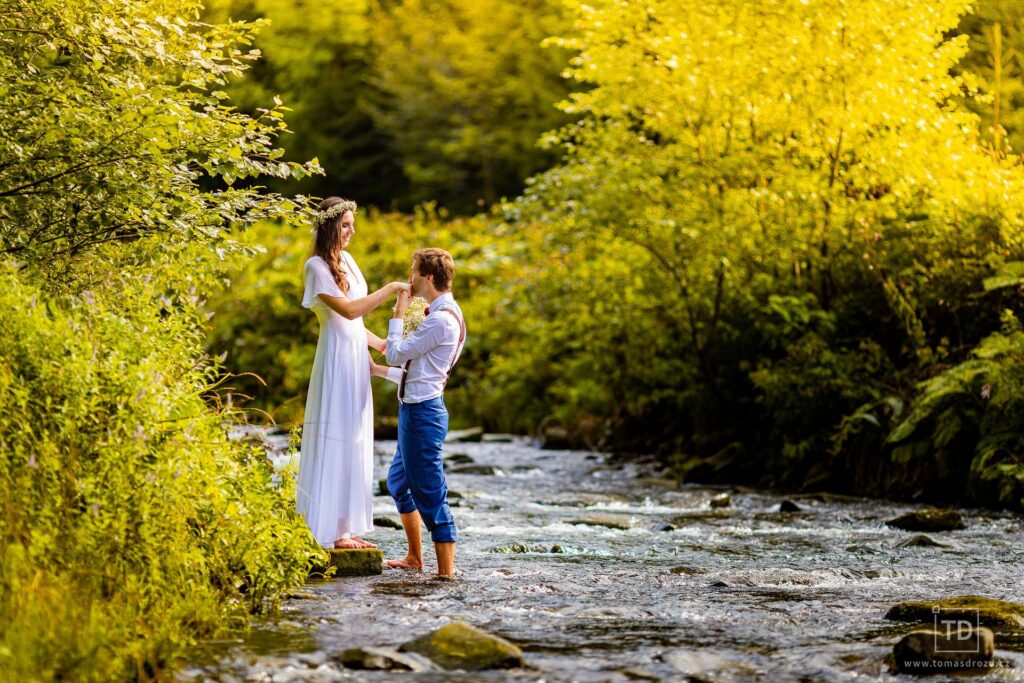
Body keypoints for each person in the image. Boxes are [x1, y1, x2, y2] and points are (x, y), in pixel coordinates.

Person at [298, 197, 408, 550]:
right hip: (336, 359)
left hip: (356, 355)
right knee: (337, 433)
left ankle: (344, 526)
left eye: (352, 224)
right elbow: (347, 312)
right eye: (345, 225)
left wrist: (380, 345)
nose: (351, 231)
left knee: (357, 435)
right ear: (330, 226)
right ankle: (329, 529)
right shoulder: (316, 266)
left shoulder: (348, 260)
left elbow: (358, 324)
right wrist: (389, 289)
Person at [384, 248, 466, 578]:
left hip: (422, 416)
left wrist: (399, 313)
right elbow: (418, 370)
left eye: (413, 271)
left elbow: (394, 354)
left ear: (428, 278)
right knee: (398, 483)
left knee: (431, 495)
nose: (409, 277)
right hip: (416, 410)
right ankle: (414, 558)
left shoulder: (441, 320)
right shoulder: (441, 314)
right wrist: (379, 372)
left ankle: (446, 576)